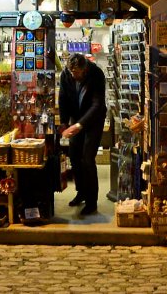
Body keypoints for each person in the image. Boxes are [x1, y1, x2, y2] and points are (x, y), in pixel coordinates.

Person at [58, 53, 107, 216]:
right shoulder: (66, 74)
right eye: (72, 72)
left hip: (93, 120)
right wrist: (64, 122)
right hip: (76, 118)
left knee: (87, 158)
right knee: (74, 156)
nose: (74, 76)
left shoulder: (96, 74)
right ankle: (81, 192)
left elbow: (97, 104)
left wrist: (79, 125)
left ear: (84, 69)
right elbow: (63, 98)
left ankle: (92, 202)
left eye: (77, 73)